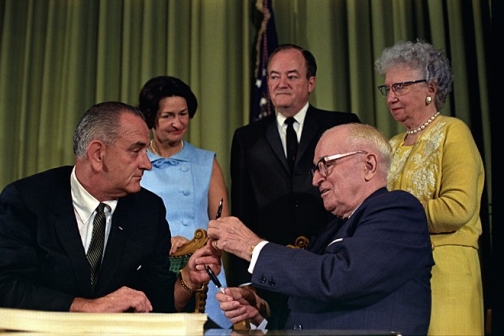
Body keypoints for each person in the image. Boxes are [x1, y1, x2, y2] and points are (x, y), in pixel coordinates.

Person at [209, 123, 434, 334]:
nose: (316, 180)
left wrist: (252, 246)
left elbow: (338, 279)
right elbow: (309, 296)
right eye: (315, 169)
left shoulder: (399, 212)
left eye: (325, 165)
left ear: (369, 165)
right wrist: (262, 311)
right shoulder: (331, 229)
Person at [0, 101, 221, 313]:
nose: (147, 164)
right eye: (136, 151)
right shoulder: (27, 200)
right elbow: (7, 288)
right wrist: (88, 307)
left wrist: (188, 281)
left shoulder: (148, 210)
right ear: (98, 154)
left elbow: (158, 302)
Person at [230, 44, 360, 326]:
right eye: (274, 76)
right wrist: (244, 282)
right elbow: (243, 210)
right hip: (269, 273)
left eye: (292, 76)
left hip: (330, 266)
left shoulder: (341, 125)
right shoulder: (246, 138)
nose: (281, 84)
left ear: (311, 82)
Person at [375, 41, 485, 335]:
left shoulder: (454, 132)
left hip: (447, 275)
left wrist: (393, 219)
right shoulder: (391, 145)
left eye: (400, 87)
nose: (391, 97)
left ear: (431, 90)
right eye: (387, 89)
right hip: (399, 276)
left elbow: (458, 208)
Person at [138, 76, 231, 328]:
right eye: (168, 116)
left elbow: (223, 226)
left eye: (183, 114)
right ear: (150, 117)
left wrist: (192, 246)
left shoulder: (206, 162)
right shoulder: (136, 163)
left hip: (202, 269)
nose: (177, 123)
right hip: (150, 272)